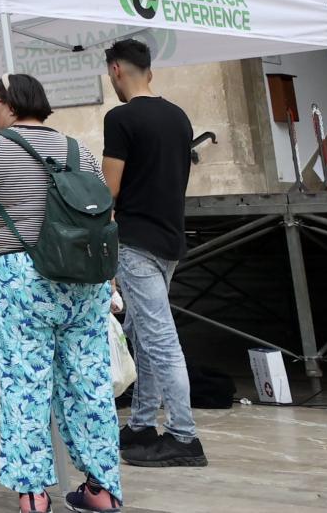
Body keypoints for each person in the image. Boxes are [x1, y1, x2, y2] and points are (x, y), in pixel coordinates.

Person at [0, 75, 123, 513]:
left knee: (24, 382)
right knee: (90, 382)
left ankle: (33, 494)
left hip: (20, 276)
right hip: (84, 276)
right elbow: (103, 209)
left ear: (10, 104)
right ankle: (101, 488)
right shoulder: (77, 149)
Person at [103, 38, 205, 469]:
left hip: (136, 241)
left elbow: (109, 189)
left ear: (115, 71)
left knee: (160, 338)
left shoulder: (120, 119)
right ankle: (143, 423)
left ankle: (185, 436)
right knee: (143, 330)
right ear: (150, 70)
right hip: (170, 239)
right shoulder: (179, 117)